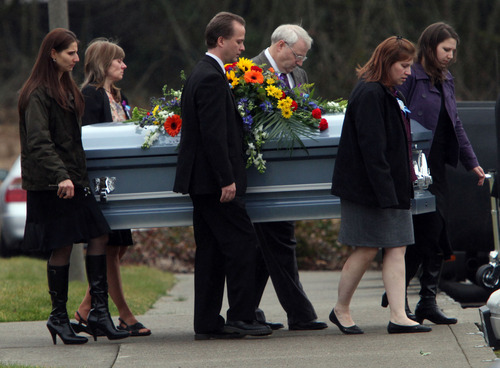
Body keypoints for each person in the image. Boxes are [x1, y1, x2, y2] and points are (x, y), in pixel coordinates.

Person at [18, 28, 129, 345]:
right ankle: (58, 316)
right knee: (64, 244)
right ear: (52, 53)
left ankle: (97, 313)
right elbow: (39, 142)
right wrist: (61, 176)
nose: (77, 58)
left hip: (73, 179)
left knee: (98, 234)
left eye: (78, 52)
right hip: (52, 183)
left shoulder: (65, 87)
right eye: (71, 53)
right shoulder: (37, 92)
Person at [173, 12, 272, 340]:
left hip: (202, 182)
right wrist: (226, 179)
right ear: (221, 40)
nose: (242, 48)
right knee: (244, 244)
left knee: (212, 251)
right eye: (239, 41)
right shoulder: (212, 78)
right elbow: (213, 135)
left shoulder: (201, 73)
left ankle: (207, 321)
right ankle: (241, 316)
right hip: (215, 183)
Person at [330, 36, 432, 335]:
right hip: (370, 189)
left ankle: (399, 315)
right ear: (386, 63)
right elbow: (372, 150)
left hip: (389, 186)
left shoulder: (385, 91)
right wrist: (388, 194)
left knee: (397, 247)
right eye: (403, 65)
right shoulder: (370, 94)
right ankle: (341, 308)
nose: (408, 72)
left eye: (409, 65)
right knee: (366, 248)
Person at [388, 22, 485, 324]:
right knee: (417, 231)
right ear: (430, 47)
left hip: (438, 168)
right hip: (413, 165)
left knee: (438, 230)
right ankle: (398, 298)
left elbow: (455, 124)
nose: (451, 56)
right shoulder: (410, 76)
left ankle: (427, 300)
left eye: (454, 51)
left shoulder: (447, 79)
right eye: (446, 49)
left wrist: (472, 162)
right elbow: (396, 114)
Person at [71, 38, 151, 337]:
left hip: (119, 184)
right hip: (103, 185)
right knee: (108, 248)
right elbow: (90, 140)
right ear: (104, 63)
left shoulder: (118, 95)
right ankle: (126, 316)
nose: (124, 65)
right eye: (119, 60)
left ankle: (83, 309)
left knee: (116, 249)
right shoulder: (90, 96)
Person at [251, 24, 327, 331]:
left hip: (289, 173)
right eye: (297, 56)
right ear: (281, 45)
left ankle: (246, 311)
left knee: (265, 247)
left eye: (303, 59)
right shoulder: (249, 73)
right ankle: (300, 313)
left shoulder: (299, 76)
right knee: (280, 240)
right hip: (262, 172)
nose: (299, 63)